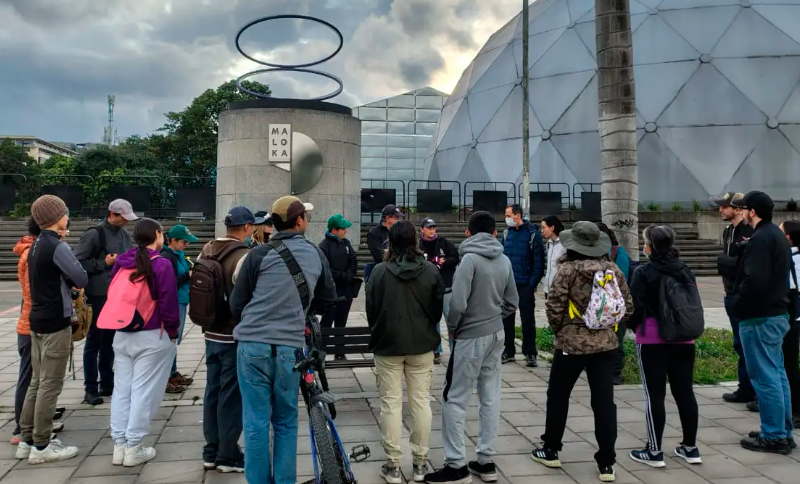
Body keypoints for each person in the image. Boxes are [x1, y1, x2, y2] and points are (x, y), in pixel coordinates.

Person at [231, 196, 337, 484]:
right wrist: (297, 309)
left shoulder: (258, 254)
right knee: (286, 421)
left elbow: (237, 303)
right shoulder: (316, 254)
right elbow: (328, 299)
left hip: (252, 346)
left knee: (254, 422)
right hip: (290, 349)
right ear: (299, 221)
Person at [530, 221, 633, 483]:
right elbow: (627, 306)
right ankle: (607, 462)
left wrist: (562, 330)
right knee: (603, 402)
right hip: (606, 345)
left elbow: (554, 306)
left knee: (558, 395)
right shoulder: (613, 270)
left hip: (570, 344)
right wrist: (607, 328)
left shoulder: (566, 271)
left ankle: (551, 449)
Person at [424, 211, 518, 484]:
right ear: (494, 233)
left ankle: (456, 465)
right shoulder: (504, 260)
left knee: (454, 398)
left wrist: (454, 328)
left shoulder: (469, 261)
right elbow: (512, 302)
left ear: (468, 232)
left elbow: (458, 304)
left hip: (469, 336)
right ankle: (485, 461)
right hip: (496, 334)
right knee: (490, 395)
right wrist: (493, 317)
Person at [366, 220, 443, 484]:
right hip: (421, 345)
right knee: (421, 402)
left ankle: (394, 464)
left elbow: (371, 310)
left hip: (388, 345)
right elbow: (436, 310)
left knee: (390, 403)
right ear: (415, 241)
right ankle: (421, 463)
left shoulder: (378, 272)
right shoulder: (431, 271)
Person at [16, 195, 88, 464]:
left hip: (36, 320)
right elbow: (81, 277)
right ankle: (43, 446)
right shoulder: (56, 246)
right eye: (65, 213)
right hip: (56, 322)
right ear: (57, 217)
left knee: (36, 382)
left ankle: (27, 439)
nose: (67, 217)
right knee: (50, 385)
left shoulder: (33, 246)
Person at [627, 225, 702, 468]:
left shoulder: (643, 271)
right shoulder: (684, 270)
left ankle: (654, 450)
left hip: (651, 339)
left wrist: (632, 325)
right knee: (685, 392)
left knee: (654, 395)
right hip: (684, 337)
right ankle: (690, 448)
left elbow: (634, 308)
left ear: (650, 246)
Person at [108, 218, 179, 467]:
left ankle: (119, 445)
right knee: (143, 392)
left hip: (122, 333)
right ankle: (134, 445)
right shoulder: (161, 264)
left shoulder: (122, 262)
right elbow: (168, 302)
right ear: (158, 234)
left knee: (122, 390)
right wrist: (173, 331)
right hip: (152, 334)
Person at [730, 192, 793, 454]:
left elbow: (754, 281)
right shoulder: (777, 236)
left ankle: (774, 436)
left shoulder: (759, 240)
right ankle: (781, 431)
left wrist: (738, 306)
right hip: (777, 313)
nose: (741, 212)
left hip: (759, 317)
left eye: (743, 208)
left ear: (752, 211)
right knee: (777, 375)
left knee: (765, 378)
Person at [198, 206, 254, 473]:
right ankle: (228, 455)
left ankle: (211, 451)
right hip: (232, 335)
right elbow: (246, 298)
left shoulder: (207, 249)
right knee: (231, 396)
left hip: (210, 333)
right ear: (247, 228)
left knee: (213, 391)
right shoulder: (244, 256)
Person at [74, 199, 137, 405]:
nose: (126, 222)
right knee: (94, 342)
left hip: (117, 294)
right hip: (97, 295)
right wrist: (104, 263)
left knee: (110, 341)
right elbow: (78, 262)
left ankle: (107, 383)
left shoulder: (124, 234)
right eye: (122, 217)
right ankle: (90, 388)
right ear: (112, 214)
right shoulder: (95, 233)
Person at [12, 219, 65, 445]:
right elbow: (39, 291)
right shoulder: (33, 254)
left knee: (37, 379)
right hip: (34, 323)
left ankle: (32, 427)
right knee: (34, 379)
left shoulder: (31, 251)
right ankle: (23, 430)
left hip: (32, 321)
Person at [711, 192, 756, 405]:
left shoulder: (749, 231)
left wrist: (727, 264)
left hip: (742, 293)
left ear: (738, 208)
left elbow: (742, 263)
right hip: (731, 292)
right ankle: (745, 388)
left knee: (747, 343)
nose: (721, 210)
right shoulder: (728, 231)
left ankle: (751, 389)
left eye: (725, 206)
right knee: (739, 343)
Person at [501, 204, 544, 367]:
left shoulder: (532, 234)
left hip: (525, 284)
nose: (506, 218)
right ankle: (508, 351)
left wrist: (531, 284)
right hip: (508, 284)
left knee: (528, 320)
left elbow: (539, 262)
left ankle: (530, 353)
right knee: (506, 319)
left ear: (517, 216)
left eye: (508, 215)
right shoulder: (507, 233)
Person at [161, 224, 199, 393]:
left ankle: (173, 372)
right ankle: (167, 376)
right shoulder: (167, 257)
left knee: (175, 341)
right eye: (184, 241)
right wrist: (188, 275)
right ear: (173, 240)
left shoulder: (179, 254)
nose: (187, 245)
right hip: (174, 302)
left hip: (182, 300)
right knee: (170, 341)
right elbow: (169, 283)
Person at [419, 218, 459, 364]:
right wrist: (432, 261)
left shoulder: (444, 242)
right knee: (432, 321)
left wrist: (444, 262)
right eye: (429, 228)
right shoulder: (419, 245)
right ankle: (435, 350)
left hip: (446, 287)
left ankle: (455, 349)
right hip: (428, 288)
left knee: (451, 319)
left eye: (434, 227)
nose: (432, 230)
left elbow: (455, 257)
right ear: (422, 229)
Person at [319, 214, 358, 360]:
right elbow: (326, 268)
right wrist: (343, 275)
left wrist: (349, 274)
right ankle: (321, 351)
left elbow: (353, 260)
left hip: (346, 290)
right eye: (342, 229)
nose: (345, 231)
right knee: (327, 322)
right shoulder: (324, 246)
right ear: (334, 230)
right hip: (331, 291)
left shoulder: (346, 244)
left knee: (341, 322)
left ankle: (340, 352)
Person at [597, 222, 631, 386]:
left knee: (617, 338)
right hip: (596, 305)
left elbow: (622, 278)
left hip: (615, 303)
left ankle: (616, 372)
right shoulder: (591, 253)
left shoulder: (618, 252)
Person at [779, 220, 800, 427]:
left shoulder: (791, 259)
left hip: (793, 318)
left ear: (788, 237)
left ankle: (796, 409)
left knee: (789, 364)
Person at [366, 204, 404, 279]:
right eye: (396, 217)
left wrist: (388, 251)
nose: (399, 219)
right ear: (387, 218)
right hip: (383, 273)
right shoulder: (374, 233)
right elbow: (379, 256)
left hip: (400, 270)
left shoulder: (400, 231)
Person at [541, 215, 565, 298]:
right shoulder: (549, 244)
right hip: (548, 288)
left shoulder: (564, 245)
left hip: (559, 289)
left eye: (544, 228)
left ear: (552, 227)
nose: (542, 230)